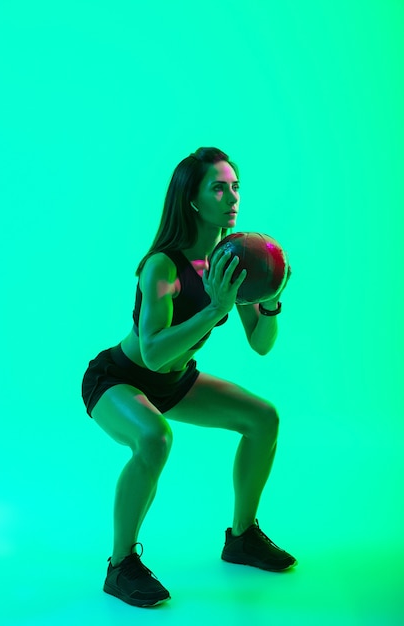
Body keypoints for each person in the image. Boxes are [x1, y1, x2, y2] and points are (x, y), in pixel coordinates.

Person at [81, 147, 297, 608]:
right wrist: (218, 307)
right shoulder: (162, 266)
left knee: (264, 418)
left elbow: (261, 343)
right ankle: (121, 566)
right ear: (193, 200)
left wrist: (273, 299)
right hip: (119, 378)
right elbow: (155, 354)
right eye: (219, 187)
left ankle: (242, 537)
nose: (231, 196)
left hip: (175, 381)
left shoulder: (232, 258)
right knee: (154, 439)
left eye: (235, 186)